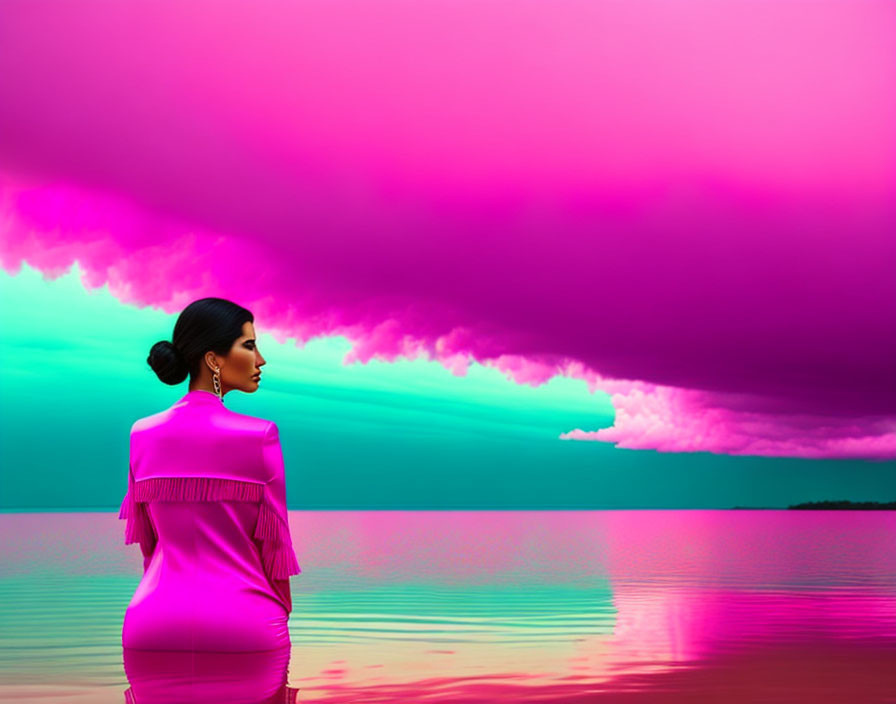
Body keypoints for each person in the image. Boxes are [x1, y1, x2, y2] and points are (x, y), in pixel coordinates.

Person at [119, 297, 301, 652]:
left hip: (151, 624)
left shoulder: (141, 433)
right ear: (213, 359)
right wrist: (280, 615)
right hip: (245, 626)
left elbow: (148, 546)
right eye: (249, 345)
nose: (260, 359)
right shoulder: (260, 436)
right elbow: (275, 549)